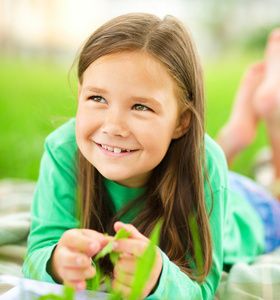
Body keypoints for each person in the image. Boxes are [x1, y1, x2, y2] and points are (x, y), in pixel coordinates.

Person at [22, 13, 274, 299]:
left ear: (182, 121)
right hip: (187, 165)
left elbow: (202, 286)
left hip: (254, 209)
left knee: (273, 186)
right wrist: (56, 262)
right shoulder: (63, 148)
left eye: (141, 106)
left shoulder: (206, 165)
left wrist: (158, 278)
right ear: (80, 95)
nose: (113, 127)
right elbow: (40, 251)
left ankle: (265, 125)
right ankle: (233, 137)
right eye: (97, 98)